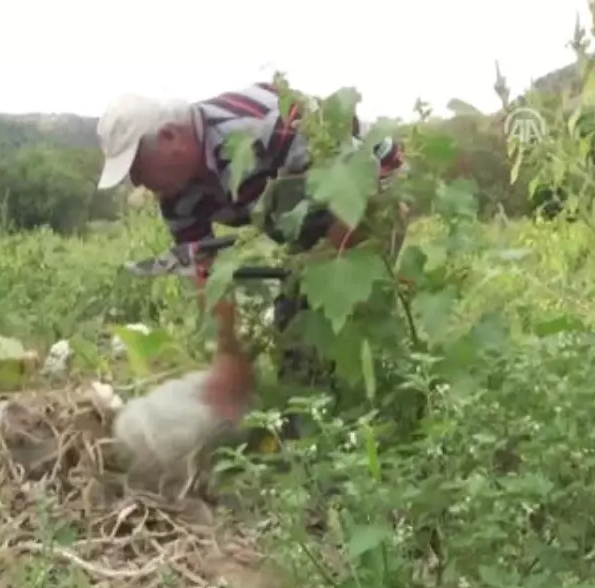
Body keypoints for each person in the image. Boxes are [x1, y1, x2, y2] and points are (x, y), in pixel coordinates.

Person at [94, 83, 405, 423]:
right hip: (301, 218)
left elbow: (351, 186)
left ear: (170, 137)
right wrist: (229, 354)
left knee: (351, 306)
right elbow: (204, 269)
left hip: (375, 184)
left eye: (138, 170)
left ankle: (385, 408)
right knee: (297, 338)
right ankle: (312, 412)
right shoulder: (175, 194)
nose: (139, 184)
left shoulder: (259, 128)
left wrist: (324, 269)